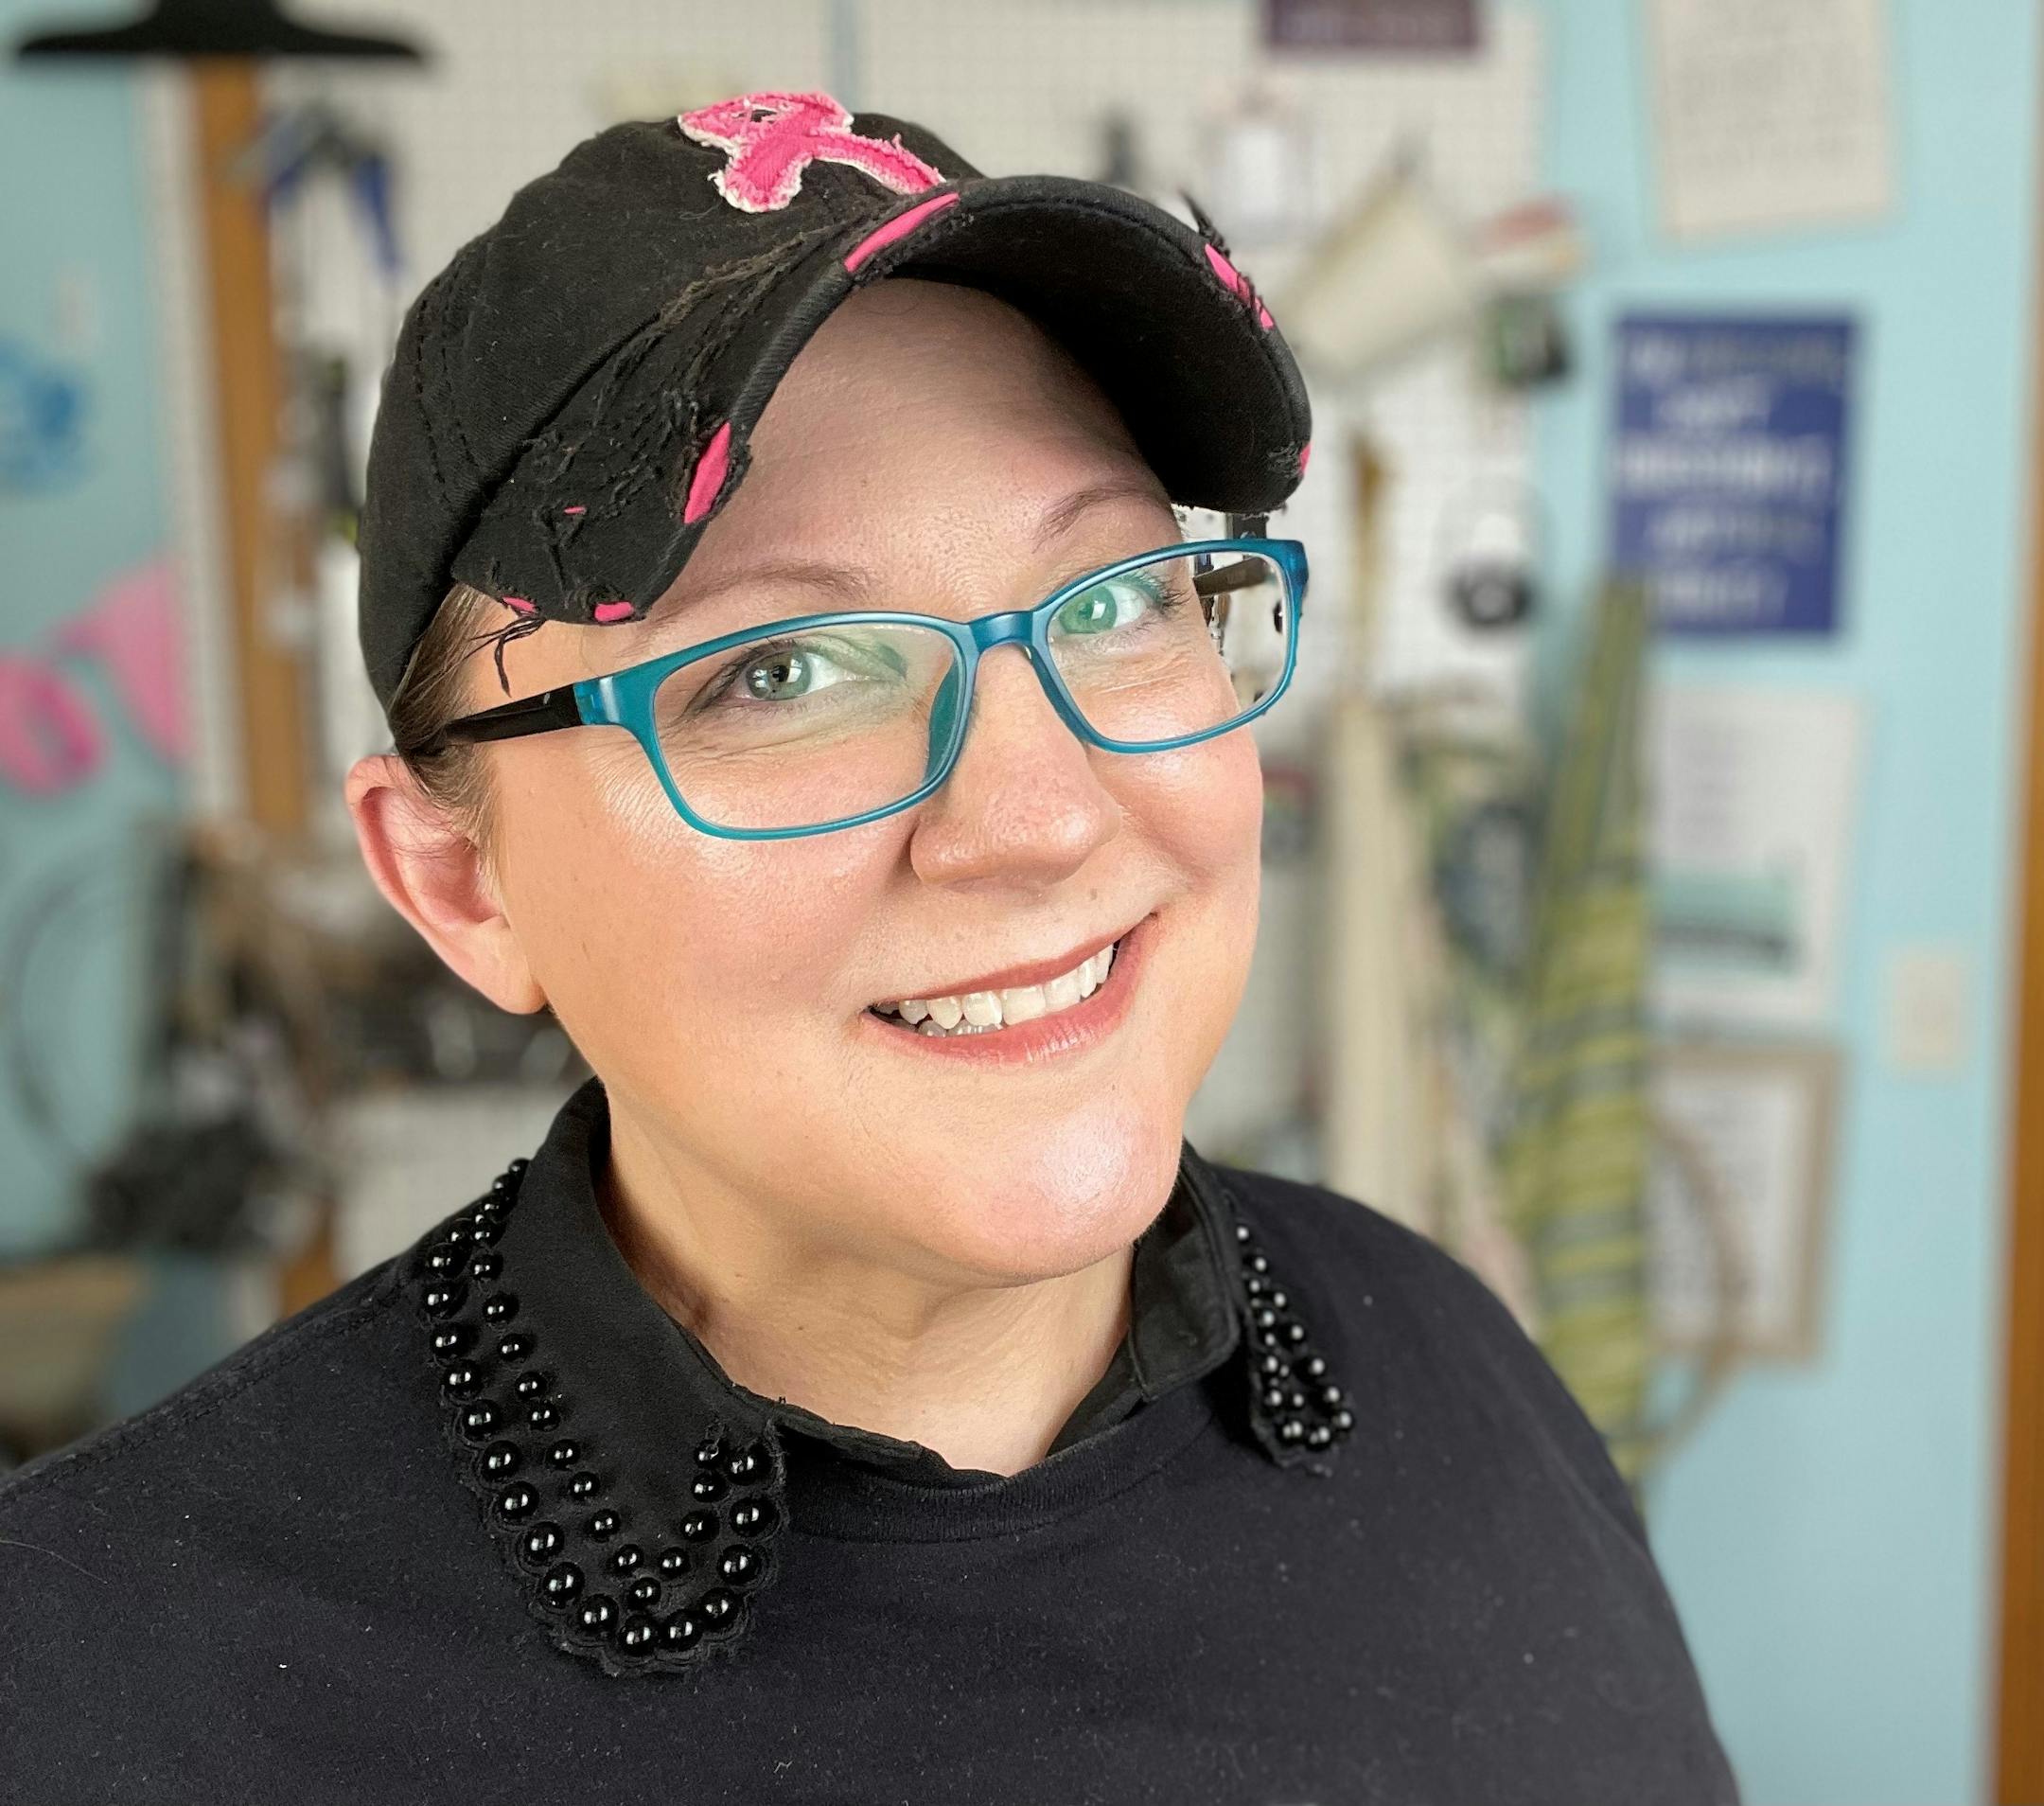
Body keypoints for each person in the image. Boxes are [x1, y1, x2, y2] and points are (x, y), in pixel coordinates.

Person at [0, 96, 1740, 1803]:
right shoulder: (98, 1667)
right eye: (777, 672)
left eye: (1121, 597)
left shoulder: (1449, 1361)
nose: (1040, 817)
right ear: (460, 880)